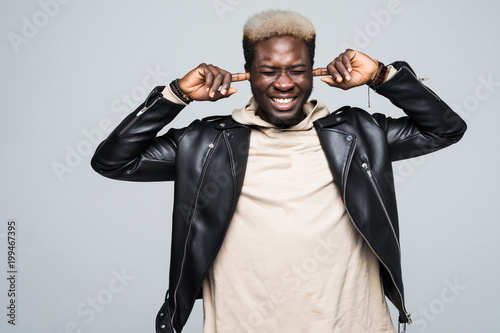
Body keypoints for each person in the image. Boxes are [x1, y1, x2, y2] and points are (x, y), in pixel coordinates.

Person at [91, 10, 466, 333]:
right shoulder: (208, 143)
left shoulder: (357, 135)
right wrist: (176, 95)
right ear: (247, 75)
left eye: (297, 71)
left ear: (314, 73)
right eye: (269, 71)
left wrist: (383, 76)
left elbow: (445, 129)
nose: (284, 83)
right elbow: (114, 160)